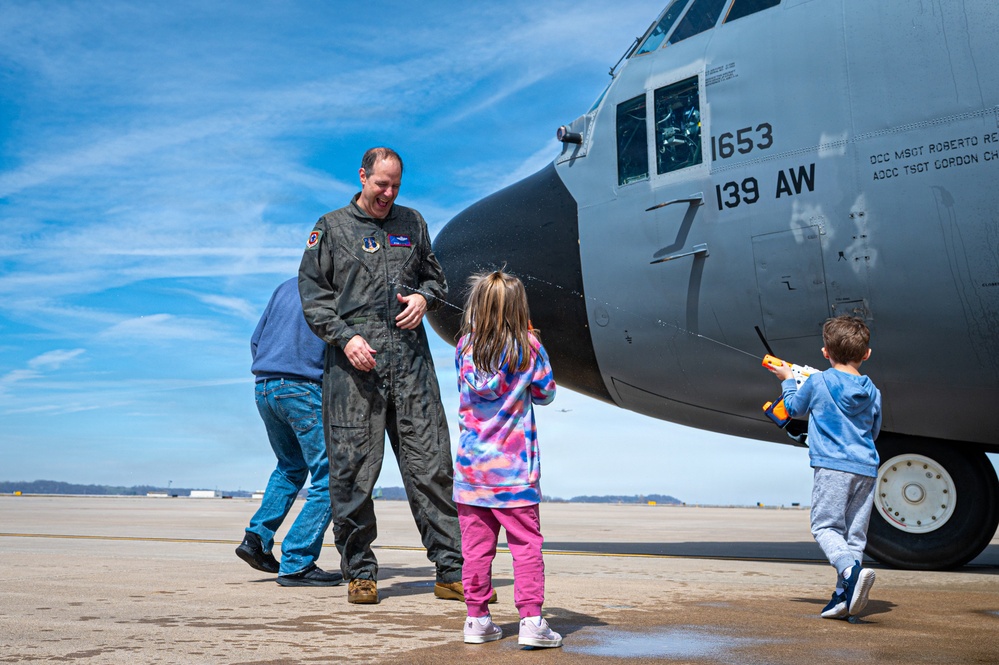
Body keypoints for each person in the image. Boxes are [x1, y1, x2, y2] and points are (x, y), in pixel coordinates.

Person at [298, 147, 464, 605]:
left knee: (431, 465)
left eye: (395, 186)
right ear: (363, 177)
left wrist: (425, 299)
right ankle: (361, 572)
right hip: (355, 369)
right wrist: (345, 337)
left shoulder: (413, 224)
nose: (388, 194)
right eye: (381, 184)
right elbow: (314, 297)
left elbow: (436, 278)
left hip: (411, 365)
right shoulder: (330, 228)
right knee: (352, 473)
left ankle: (451, 569)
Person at [453, 271, 562, 648]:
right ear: (519, 309)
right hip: (514, 472)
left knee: (475, 551)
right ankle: (531, 622)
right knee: (525, 547)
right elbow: (546, 393)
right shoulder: (528, 347)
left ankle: (477, 619)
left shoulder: (464, 347)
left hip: (471, 471)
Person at [766, 315, 882, 619]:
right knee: (854, 536)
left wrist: (788, 381)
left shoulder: (817, 381)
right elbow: (874, 431)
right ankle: (845, 598)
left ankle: (848, 572)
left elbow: (793, 408)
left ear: (825, 352)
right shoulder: (873, 392)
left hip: (833, 467)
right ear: (866, 354)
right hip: (866, 468)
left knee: (825, 526)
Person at [236, 277, 341, 587]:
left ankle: (256, 539)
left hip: (264, 387)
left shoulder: (284, 287)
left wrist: (273, 368)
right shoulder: (336, 289)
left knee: (290, 468)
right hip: (301, 389)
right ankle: (297, 560)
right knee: (332, 477)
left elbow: (256, 339)